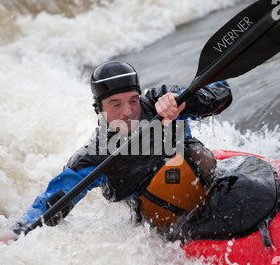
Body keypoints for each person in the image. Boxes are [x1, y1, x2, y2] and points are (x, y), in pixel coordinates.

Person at [13, 60, 232, 237]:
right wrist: (17, 232)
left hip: (212, 189)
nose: (128, 112)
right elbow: (52, 202)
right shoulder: (96, 156)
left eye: (133, 101)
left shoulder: (162, 101)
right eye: (116, 104)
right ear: (99, 109)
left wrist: (187, 103)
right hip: (167, 230)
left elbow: (221, 93)